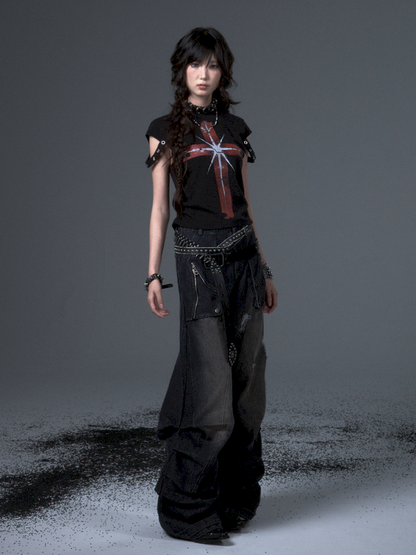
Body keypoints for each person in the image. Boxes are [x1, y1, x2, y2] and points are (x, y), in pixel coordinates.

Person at [145, 27, 277, 544]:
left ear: (224, 72)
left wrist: (264, 268)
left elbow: (246, 204)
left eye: (214, 65)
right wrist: (153, 273)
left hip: (243, 261)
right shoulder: (163, 131)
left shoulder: (237, 128)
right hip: (197, 263)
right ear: (182, 70)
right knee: (211, 399)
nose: (204, 74)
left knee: (248, 392)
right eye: (195, 64)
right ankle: (186, 510)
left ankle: (235, 500)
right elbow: (160, 208)